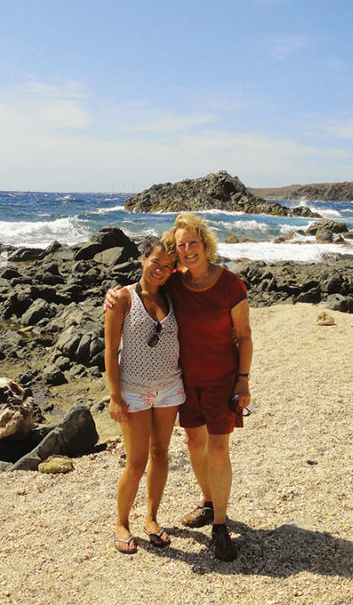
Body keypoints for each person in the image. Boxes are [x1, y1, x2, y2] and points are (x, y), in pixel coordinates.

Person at [106, 213, 253, 561]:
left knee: (203, 451)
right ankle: (194, 504)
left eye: (192, 244)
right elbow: (143, 290)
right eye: (180, 246)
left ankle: (210, 525)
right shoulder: (164, 286)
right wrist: (113, 294)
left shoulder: (217, 285)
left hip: (201, 383)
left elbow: (244, 336)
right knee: (173, 449)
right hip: (167, 384)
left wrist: (243, 379)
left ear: (205, 245)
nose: (186, 252)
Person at [104, 235, 183, 555]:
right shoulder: (121, 298)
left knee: (161, 453)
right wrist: (114, 396)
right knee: (136, 462)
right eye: (155, 263)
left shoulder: (173, 295)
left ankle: (151, 518)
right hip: (133, 390)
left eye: (168, 266)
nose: (161, 270)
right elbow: (110, 352)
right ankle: (122, 523)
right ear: (142, 259)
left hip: (170, 389)